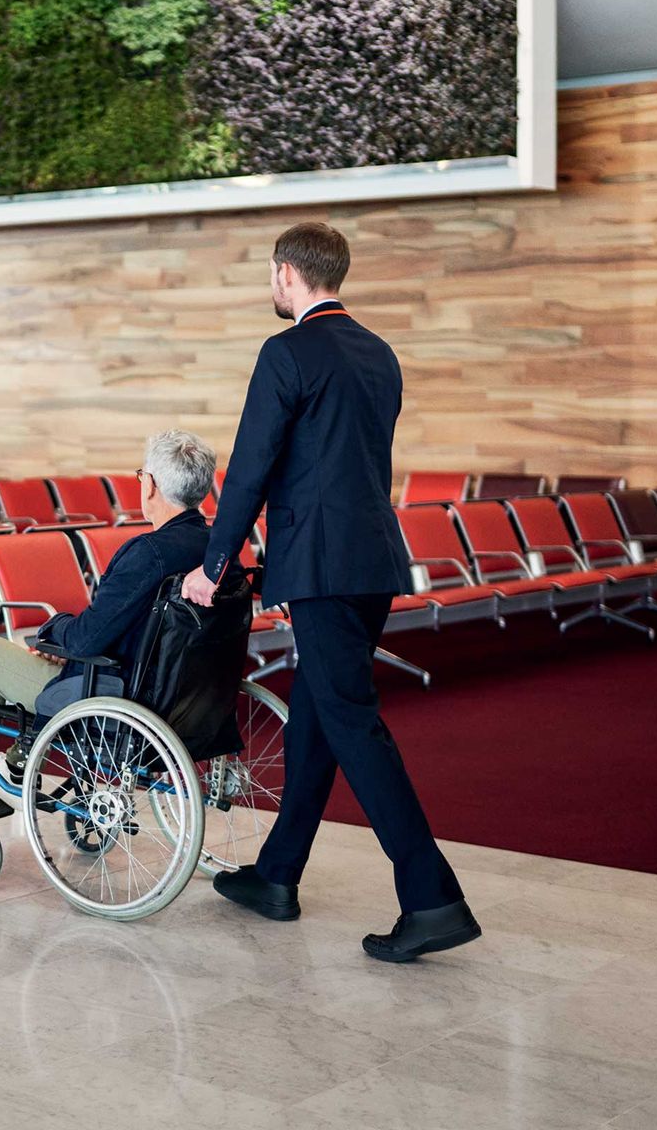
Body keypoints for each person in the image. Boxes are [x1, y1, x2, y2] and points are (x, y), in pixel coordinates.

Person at [182, 222, 478, 963]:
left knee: (351, 722)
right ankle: (277, 876)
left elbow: (251, 467)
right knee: (316, 716)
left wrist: (212, 565)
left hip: (321, 566)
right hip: (374, 560)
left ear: (287, 274)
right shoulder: (379, 354)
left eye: (271, 275)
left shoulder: (286, 352)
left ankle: (432, 899)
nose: (271, 286)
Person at [0, 430, 219, 824]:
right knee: (60, 653)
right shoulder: (217, 551)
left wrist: (52, 633)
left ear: (150, 485)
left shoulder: (147, 553)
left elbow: (86, 639)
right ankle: (16, 762)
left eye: (141, 476)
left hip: (116, 694)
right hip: (187, 696)